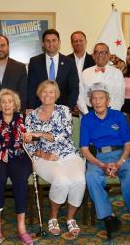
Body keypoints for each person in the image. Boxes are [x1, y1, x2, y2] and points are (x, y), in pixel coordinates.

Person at [80, 82, 130, 242]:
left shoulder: (119, 116)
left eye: (101, 98)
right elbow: (84, 150)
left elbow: (128, 145)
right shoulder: (87, 119)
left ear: (108, 100)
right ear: (90, 101)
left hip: (120, 155)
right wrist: (102, 165)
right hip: (97, 158)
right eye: (94, 98)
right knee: (91, 176)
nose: (97, 102)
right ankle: (108, 217)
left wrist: (119, 162)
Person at [24, 80, 85, 237]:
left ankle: (71, 219)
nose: (47, 94)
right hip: (43, 158)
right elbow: (28, 144)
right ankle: (53, 217)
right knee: (62, 181)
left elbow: (64, 135)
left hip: (68, 154)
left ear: (56, 94)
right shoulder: (30, 117)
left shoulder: (64, 110)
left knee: (79, 180)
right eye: (44, 91)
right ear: (39, 94)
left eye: (51, 91)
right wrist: (44, 154)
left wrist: (42, 134)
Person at [0, 89, 33, 245]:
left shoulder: (24, 118)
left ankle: (21, 226)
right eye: (3, 101)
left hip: (20, 156)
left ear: (15, 104)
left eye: (10, 101)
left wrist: (30, 139)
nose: (7, 104)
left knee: (20, 181)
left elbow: (30, 140)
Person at [27, 29, 79, 110]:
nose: (51, 44)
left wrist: (68, 108)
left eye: (54, 40)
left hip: (63, 110)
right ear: (43, 44)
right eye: (47, 41)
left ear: (59, 42)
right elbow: (31, 88)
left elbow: (74, 88)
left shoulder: (70, 62)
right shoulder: (34, 62)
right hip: (39, 109)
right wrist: (31, 108)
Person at [77, 43, 124, 115]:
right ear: (93, 55)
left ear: (109, 55)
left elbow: (119, 98)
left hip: (110, 114)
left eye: (103, 52)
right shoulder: (85, 72)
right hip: (88, 113)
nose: (100, 55)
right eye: (96, 52)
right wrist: (86, 113)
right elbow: (80, 95)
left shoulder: (117, 73)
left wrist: (110, 115)